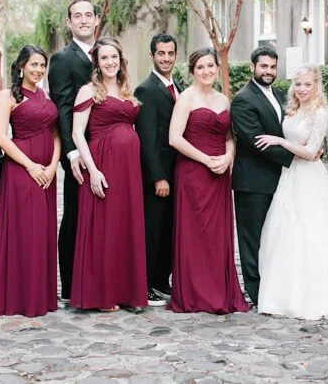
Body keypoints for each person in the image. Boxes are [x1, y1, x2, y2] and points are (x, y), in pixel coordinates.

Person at [256, 65, 328, 319]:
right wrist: (293, 145)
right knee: (285, 231)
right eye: (298, 84)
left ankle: (313, 297)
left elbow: (312, 151)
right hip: (289, 176)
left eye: (307, 84)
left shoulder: (320, 112)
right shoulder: (292, 110)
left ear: (316, 86)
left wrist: (281, 141)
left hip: (309, 177)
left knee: (311, 231)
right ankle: (282, 296)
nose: (302, 89)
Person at [168, 47, 249, 314]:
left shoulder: (223, 100)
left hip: (220, 174)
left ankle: (218, 289)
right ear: (193, 71)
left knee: (216, 235)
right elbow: (174, 138)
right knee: (195, 233)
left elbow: (229, 137)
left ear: (217, 68)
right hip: (193, 173)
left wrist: (228, 157)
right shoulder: (186, 98)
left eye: (210, 66)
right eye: (200, 67)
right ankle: (195, 293)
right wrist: (206, 160)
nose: (206, 71)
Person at [70, 37, 147, 312]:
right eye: (104, 58)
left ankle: (127, 291)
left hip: (129, 169)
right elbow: (77, 133)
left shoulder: (127, 90)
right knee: (105, 227)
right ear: (97, 63)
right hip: (103, 163)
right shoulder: (89, 90)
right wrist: (93, 170)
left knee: (125, 226)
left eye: (114, 57)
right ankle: (103, 294)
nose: (110, 62)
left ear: (121, 60)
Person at [0, 45, 60, 317]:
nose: (39, 70)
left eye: (42, 65)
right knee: (25, 232)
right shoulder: (7, 96)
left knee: (42, 233)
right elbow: (0, 137)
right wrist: (30, 166)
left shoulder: (45, 95)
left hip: (47, 173)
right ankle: (20, 297)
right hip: (21, 171)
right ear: (21, 67)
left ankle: (39, 294)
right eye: (34, 65)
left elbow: (55, 134)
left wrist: (52, 166)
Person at [230, 47, 294, 306]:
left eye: (272, 67)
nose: (268, 71)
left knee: (275, 236)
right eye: (263, 66)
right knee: (252, 238)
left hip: (279, 179)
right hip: (252, 181)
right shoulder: (242, 99)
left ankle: (274, 286)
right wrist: (296, 157)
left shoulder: (280, 95)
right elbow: (257, 141)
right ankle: (256, 292)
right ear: (252, 67)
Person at [48, 0, 97, 303]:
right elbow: (62, 108)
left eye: (88, 15)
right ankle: (69, 285)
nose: (83, 20)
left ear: (96, 19)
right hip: (80, 149)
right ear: (69, 22)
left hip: (106, 148)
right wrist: (71, 152)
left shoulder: (106, 52)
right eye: (77, 16)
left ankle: (98, 277)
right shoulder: (62, 59)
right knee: (76, 216)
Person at [134, 33, 182, 306]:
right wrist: (158, 177)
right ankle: (146, 283)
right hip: (158, 175)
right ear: (151, 56)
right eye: (161, 53)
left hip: (179, 172)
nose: (166, 58)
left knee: (168, 229)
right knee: (152, 230)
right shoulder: (145, 90)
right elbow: (147, 138)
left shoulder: (179, 87)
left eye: (170, 53)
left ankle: (163, 280)